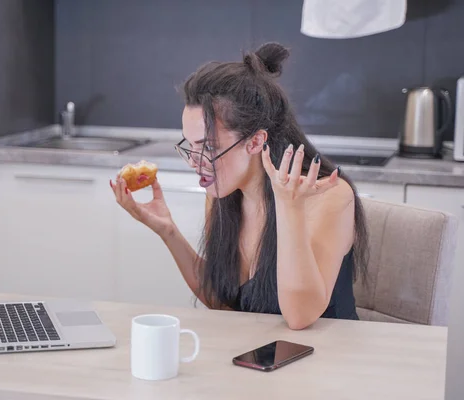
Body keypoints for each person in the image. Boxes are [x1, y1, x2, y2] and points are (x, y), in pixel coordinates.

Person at [110, 42, 369, 330]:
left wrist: (289, 208)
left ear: (255, 141)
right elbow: (223, 304)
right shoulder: (225, 193)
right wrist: (167, 230)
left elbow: (299, 317)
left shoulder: (328, 196)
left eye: (208, 147)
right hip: (262, 357)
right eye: (189, 146)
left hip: (332, 361)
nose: (195, 162)